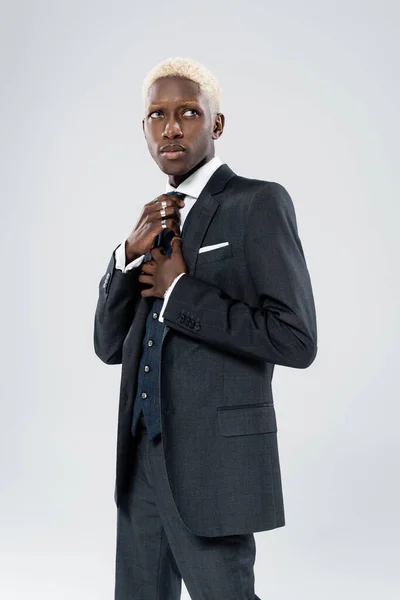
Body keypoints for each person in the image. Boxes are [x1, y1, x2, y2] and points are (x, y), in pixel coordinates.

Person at [93, 55, 318, 600]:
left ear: (215, 125)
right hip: (142, 460)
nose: (170, 127)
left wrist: (180, 292)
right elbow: (107, 346)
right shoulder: (154, 217)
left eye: (188, 112)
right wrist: (126, 255)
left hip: (214, 466)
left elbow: (295, 338)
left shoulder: (257, 203)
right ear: (145, 129)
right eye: (157, 116)